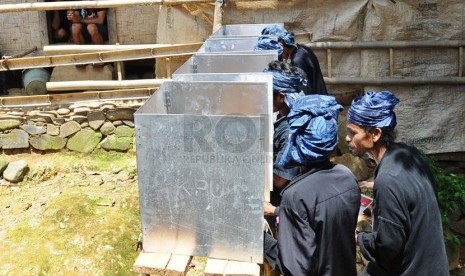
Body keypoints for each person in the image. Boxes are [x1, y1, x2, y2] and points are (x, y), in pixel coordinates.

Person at [346, 91, 449, 275]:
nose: (347, 138)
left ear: (375, 134)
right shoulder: (407, 153)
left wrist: (358, 238)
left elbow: (388, 248)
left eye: (353, 133)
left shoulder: (389, 179)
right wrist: (373, 185)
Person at [264, 95, 361, 276]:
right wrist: (279, 211)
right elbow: (323, 219)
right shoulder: (347, 177)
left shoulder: (295, 195)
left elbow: (293, 268)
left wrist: (263, 241)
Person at [263, 61, 306, 219]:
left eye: (266, 94)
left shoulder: (289, 128)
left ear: (281, 97)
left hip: (286, 206)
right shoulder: (287, 114)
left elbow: (280, 179)